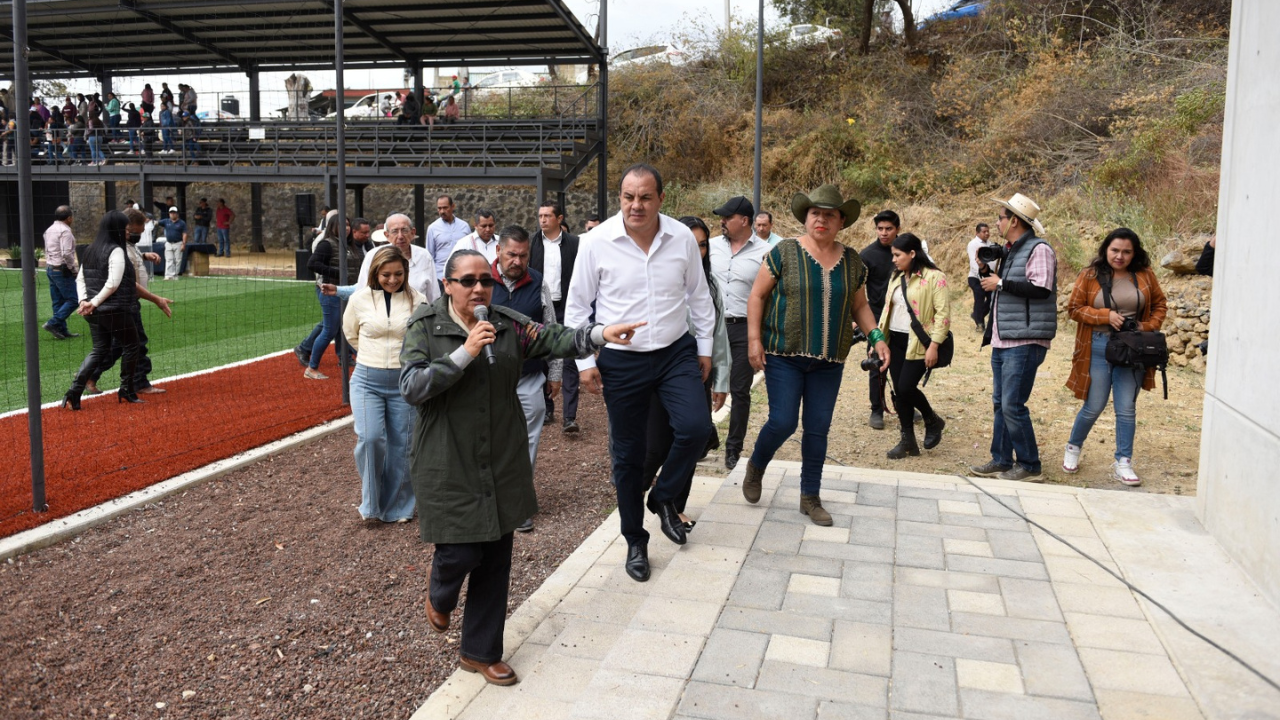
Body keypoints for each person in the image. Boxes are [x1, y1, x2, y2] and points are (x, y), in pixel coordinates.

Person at [400, 249, 642, 686]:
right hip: (447, 456)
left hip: (501, 453)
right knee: (460, 549)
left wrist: (603, 333)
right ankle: (440, 592)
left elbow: (555, 338)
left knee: (495, 554)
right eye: (468, 281)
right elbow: (412, 387)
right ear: (447, 285)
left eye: (484, 281)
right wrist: (465, 353)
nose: (479, 289)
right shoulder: (426, 327)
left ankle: (480, 652)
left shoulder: (508, 324)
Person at [565, 163, 716, 582]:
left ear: (661, 199)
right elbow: (577, 308)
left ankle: (664, 497)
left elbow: (699, 297)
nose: (637, 205)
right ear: (620, 198)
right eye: (629, 197)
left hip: (674, 352)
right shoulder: (596, 242)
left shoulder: (681, 237)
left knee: (696, 428)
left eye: (645, 197)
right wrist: (584, 361)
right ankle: (635, 539)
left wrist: (705, 349)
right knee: (628, 457)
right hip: (622, 359)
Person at [743, 185, 886, 525]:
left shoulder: (852, 261)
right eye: (815, 213)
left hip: (829, 361)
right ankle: (756, 465)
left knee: (818, 428)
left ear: (841, 222)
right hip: (783, 353)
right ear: (806, 218)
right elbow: (757, 296)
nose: (821, 219)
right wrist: (753, 340)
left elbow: (860, 304)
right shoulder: (784, 252)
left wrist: (876, 336)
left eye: (829, 214)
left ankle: (810, 497)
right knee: (783, 421)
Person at [642, 215, 731, 530]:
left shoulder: (710, 284)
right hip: (657, 371)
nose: (698, 250)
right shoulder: (658, 277)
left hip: (697, 373)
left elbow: (718, 333)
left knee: (695, 437)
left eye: (703, 245)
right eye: (691, 244)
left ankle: (673, 506)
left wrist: (720, 380)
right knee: (655, 444)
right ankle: (636, 487)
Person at [1063, 228, 1167, 486]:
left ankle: (1124, 461)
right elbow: (1074, 309)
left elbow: (1160, 304)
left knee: (1126, 408)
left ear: (1134, 253)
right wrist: (1105, 315)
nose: (1119, 256)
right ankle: (1073, 447)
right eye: (1115, 250)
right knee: (1094, 405)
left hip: (1132, 349)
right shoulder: (1089, 275)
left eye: (1126, 252)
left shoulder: (1144, 275)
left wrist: (1146, 326)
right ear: (1106, 249)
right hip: (1097, 346)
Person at [969, 193, 1058, 482]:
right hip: (1004, 337)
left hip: (1025, 339)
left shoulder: (1039, 249)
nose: (997, 223)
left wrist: (1002, 283)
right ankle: (1002, 460)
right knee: (1000, 403)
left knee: (1012, 404)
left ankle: (1031, 466)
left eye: (1001, 218)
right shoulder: (1011, 250)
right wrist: (987, 271)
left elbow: (1041, 288)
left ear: (1015, 221)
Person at [342, 246, 425, 522]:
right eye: (386, 274)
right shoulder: (359, 299)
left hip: (405, 381)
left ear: (406, 272)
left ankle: (399, 507)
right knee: (371, 439)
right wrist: (372, 355)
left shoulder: (419, 301)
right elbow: (350, 333)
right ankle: (371, 505)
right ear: (376, 273)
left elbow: (422, 339)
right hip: (367, 380)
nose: (392, 280)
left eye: (398, 274)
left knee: (403, 444)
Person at [489, 225, 562, 534]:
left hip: (528, 375)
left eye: (522, 255)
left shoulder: (538, 282)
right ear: (498, 252)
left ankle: (516, 503)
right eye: (511, 255)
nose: (517, 261)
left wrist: (555, 372)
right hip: (488, 379)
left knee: (527, 440)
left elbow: (551, 328)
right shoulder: (480, 280)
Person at [877, 233, 951, 459]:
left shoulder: (935, 277)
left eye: (898, 255)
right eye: (893, 255)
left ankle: (932, 419)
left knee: (907, 387)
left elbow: (943, 314)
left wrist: (934, 346)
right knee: (900, 393)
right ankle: (908, 440)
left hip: (920, 342)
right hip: (896, 341)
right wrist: (878, 340)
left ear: (912, 253)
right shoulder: (896, 277)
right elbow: (887, 311)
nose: (894, 259)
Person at [84, 208, 173, 397]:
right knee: (137, 343)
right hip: (125, 303)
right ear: (125, 227)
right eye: (133, 232)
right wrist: (156, 299)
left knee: (117, 346)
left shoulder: (124, 244)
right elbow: (126, 282)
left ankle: (90, 375)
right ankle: (139, 382)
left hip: (122, 303)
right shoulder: (118, 248)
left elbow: (131, 256)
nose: (135, 236)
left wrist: (144, 256)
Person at [710, 195, 770, 470]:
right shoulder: (710, 247)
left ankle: (733, 448)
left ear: (744, 221)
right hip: (711, 326)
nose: (721, 221)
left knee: (740, 389)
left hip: (745, 328)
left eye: (726, 217)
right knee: (700, 381)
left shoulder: (765, 253)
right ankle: (705, 436)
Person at [62, 211, 144, 409]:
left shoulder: (90, 249)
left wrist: (84, 301)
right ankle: (126, 389)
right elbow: (113, 283)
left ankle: (74, 392)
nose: (128, 233)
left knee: (99, 349)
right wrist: (94, 302)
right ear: (117, 229)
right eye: (125, 229)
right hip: (114, 309)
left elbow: (80, 279)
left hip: (94, 312)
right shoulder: (116, 250)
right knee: (133, 346)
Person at [530, 202, 581, 432]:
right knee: (543, 353)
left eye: (547, 215)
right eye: (540, 215)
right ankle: (547, 407)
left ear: (559, 218)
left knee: (569, 359)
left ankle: (569, 416)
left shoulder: (574, 243)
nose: (542, 220)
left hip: (567, 306)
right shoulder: (532, 243)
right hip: (541, 305)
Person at [298, 213, 365, 379]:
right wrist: (337, 273)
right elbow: (312, 264)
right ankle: (311, 368)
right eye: (342, 225)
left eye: (348, 225)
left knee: (346, 327)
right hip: (331, 292)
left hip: (349, 291)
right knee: (329, 330)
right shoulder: (326, 244)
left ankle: (346, 358)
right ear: (332, 227)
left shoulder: (350, 246)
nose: (346, 228)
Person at [325, 213, 440, 304]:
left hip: (417, 322)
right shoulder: (374, 256)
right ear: (386, 235)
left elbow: (433, 295)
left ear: (413, 232)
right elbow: (362, 290)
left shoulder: (424, 256)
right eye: (395, 231)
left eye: (404, 230)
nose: (400, 236)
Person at [859, 210, 898, 430]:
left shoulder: (903, 251)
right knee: (877, 364)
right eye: (880, 229)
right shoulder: (867, 255)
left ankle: (904, 406)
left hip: (903, 318)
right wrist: (860, 320)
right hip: (876, 320)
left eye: (888, 229)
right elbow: (858, 289)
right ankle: (877, 409)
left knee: (902, 365)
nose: (884, 233)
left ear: (897, 229)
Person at [42, 206, 81, 340]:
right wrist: (74, 269)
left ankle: (61, 330)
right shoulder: (65, 231)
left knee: (58, 301)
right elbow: (66, 253)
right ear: (69, 218)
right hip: (62, 270)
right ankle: (53, 323)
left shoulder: (49, 230)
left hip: (50, 268)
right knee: (75, 299)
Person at [426, 195, 471, 280]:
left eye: (445, 208)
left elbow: (470, 250)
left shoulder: (464, 226)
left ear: (453, 206)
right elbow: (429, 256)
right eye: (439, 208)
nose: (442, 211)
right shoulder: (432, 228)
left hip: (462, 275)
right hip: (440, 277)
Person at [966, 222, 998, 331]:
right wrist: (982, 276)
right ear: (977, 233)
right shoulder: (973, 244)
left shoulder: (991, 244)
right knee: (979, 296)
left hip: (989, 276)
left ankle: (976, 315)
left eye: (988, 231)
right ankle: (980, 324)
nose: (987, 233)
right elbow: (974, 262)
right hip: (975, 277)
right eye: (984, 232)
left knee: (991, 299)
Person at [156, 207, 188, 280]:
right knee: (169, 259)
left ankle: (175, 275)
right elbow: (157, 222)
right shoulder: (166, 221)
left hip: (178, 243)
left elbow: (185, 233)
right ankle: (168, 275)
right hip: (169, 243)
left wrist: (183, 244)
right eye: (171, 213)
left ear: (177, 214)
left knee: (177, 260)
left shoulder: (181, 223)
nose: (172, 214)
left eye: (174, 213)